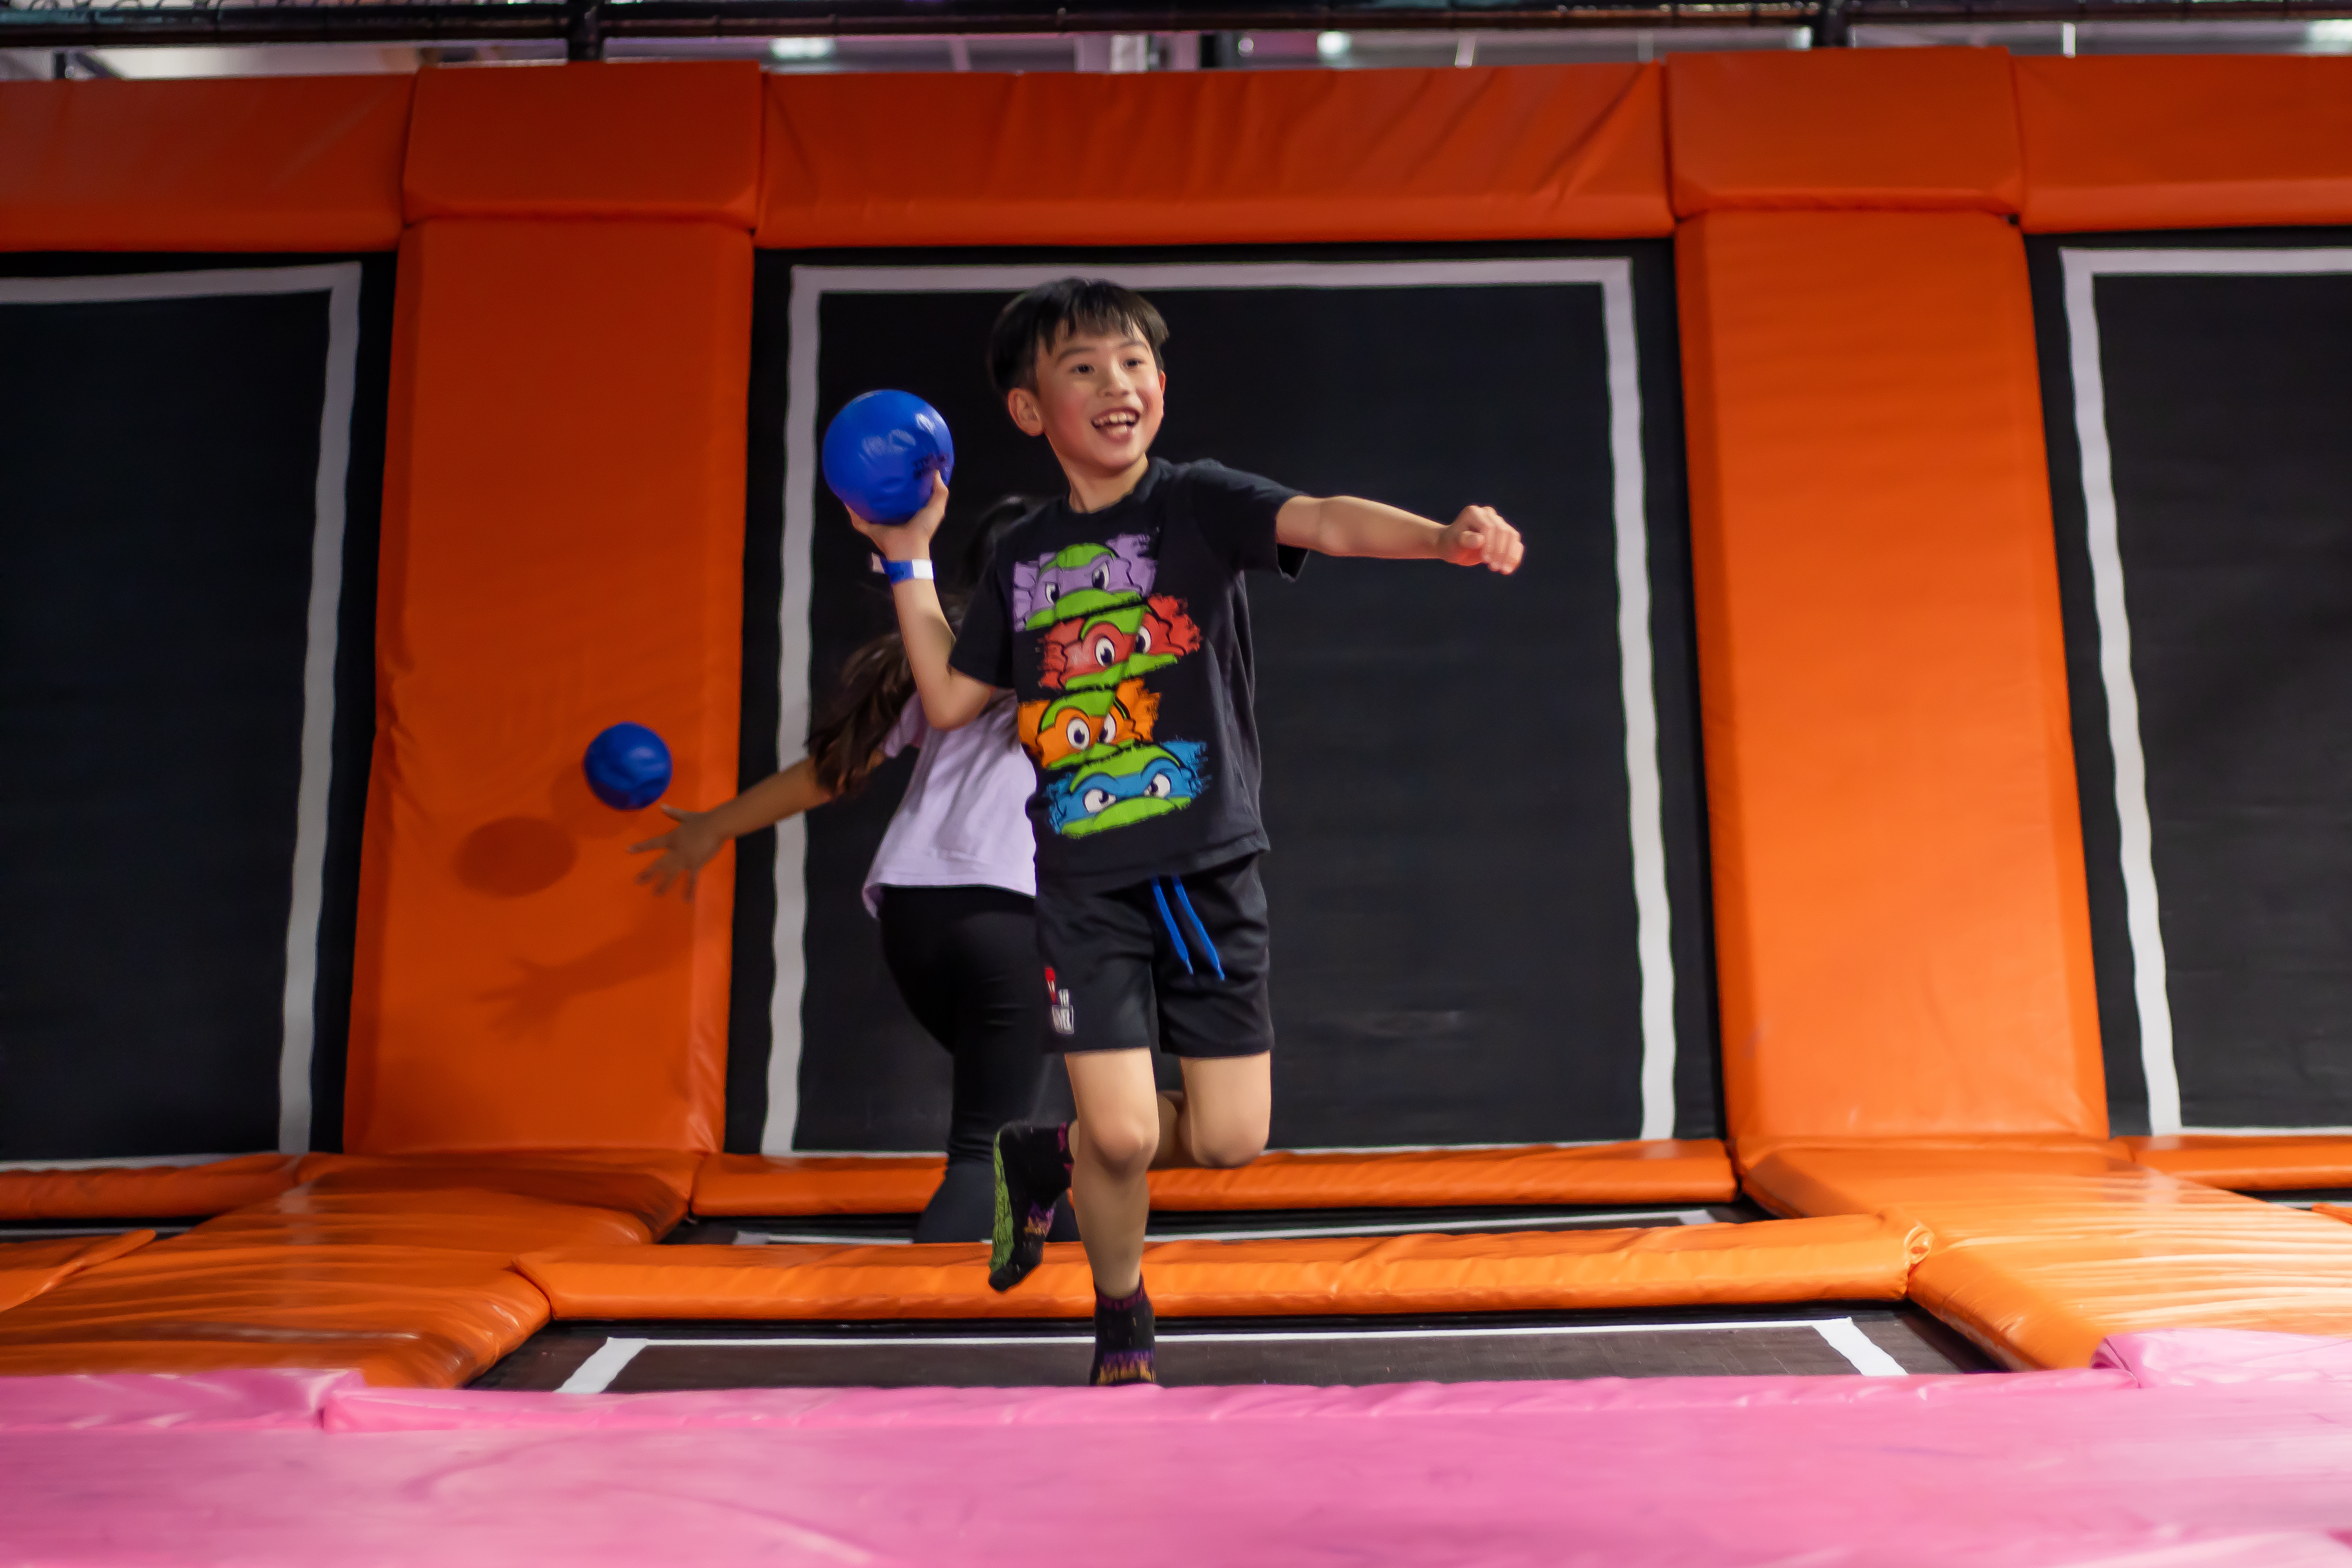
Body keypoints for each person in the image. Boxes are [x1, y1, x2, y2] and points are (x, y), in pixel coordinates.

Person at [848, 278, 1524, 1385]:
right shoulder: (1022, 560)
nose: (1117, 386)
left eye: (1132, 364)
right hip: (1081, 886)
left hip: (1208, 876)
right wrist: (909, 554)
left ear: (1159, 383)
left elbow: (1324, 516)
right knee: (1123, 1132)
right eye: (1082, 369)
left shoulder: (1195, 504)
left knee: (1226, 1139)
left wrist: (1439, 538)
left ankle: (1041, 1154)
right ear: (1029, 411)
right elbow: (953, 695)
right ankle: (1121, 1326)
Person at [632, 497, 1075, 1245]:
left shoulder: (950, 664)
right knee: (985, 1151)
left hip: (915, 919)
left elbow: (829, 772)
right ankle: (927, 1311)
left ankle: (1051, 1244)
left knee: (1024, 1123)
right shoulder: (1073, 662)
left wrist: (715, 824)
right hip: (1007, 915)